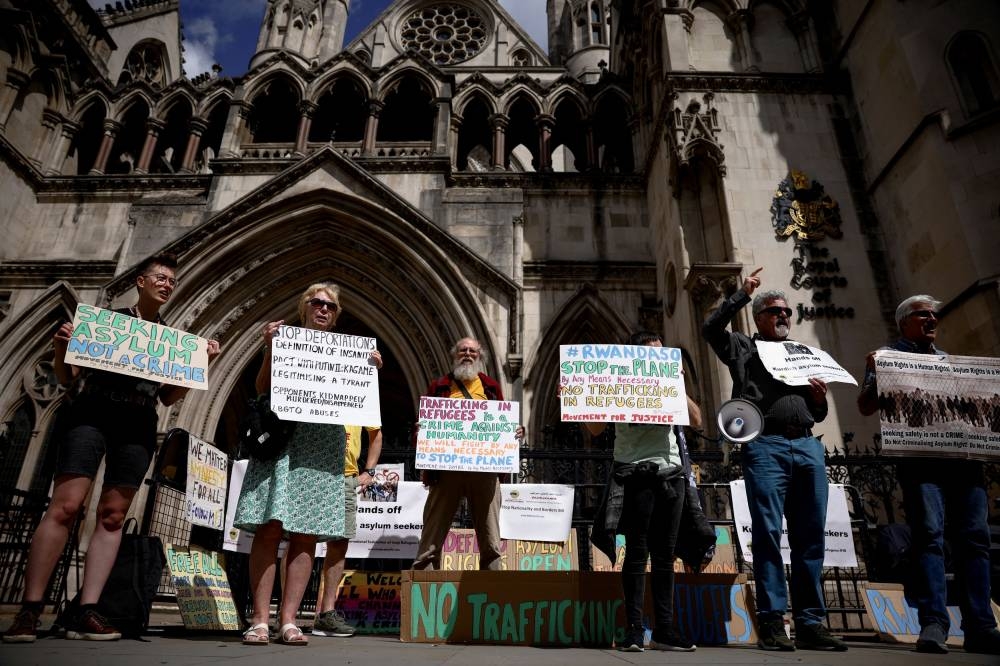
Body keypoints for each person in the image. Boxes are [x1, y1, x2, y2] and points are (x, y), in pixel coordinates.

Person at [3, 253, 221, 643]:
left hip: (137, 422)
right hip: (91, 412)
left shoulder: (171, 340)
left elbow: (169, 398)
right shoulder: (110, 322)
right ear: (140, 281)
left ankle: (89, 609)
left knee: (113, 516)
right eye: (160, 277)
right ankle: (30, 609)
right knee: (66, 506)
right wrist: (59, 347)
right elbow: (67, 376)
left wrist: (199, 363)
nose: (167, 284)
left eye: (172, 280)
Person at [702, 267, 847, 651]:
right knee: (767, 535)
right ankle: (772, 620)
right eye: (776, 312)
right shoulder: (742, 348)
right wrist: (742, 294)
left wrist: (818, 401)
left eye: (787, 312)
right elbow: (711, 330)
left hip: (807, 447)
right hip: (765, 447)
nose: (784, 316)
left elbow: (816, 414)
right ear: (760, 317)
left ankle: (811, 621)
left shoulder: (801, 355)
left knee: (810, 536)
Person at [235, 283, 380, 647]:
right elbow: (262, 388)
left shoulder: (349, 351)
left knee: (306, 534)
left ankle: (288, 621)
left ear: (336, 314)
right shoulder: (287, 340)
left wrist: (371, 371)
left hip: (323, 443)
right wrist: (269, 348)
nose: (323, 309)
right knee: (270, 528)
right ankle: (259, 619)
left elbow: (362, 402)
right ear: (304, 307)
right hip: (284, 439)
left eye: (330, 306)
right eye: (317, 303)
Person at [858, 295, 1000, 655]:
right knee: (929, 538)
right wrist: (877, 373)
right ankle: (934, 623)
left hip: (965, 462)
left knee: (974, 540)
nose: (932, 320)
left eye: (934, 315)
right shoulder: (886, 357)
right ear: (905, 322)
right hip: (922, 463)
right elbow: (865, 405)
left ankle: (981, 625)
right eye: (924, 315)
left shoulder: (950, 361)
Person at [588, 331, 705, 653]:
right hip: (634, 471)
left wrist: (677, 383)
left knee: (665, 556)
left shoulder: (669, 384)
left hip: (671, 473)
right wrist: (576, 397)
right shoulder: (619, 383)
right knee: (637, 553)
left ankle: (665, 630)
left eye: (661, 353)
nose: (658, 357)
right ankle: (635, 630)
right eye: (652, 354)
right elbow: (596, 429)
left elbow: (696, 420)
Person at [411, 337, 523, 571]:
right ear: (454, 356)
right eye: (463, 351)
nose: (468, 355)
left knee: (491, 538)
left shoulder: (491, 387)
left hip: (485, 472)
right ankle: (425, 585)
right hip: (446, 471)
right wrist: (422, 431)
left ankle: (493, 588)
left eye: (473, 351)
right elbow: (424, 427)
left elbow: (502, 426)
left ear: (480, 357)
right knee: (431, 536)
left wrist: (515, 431)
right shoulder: (440, 387)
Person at [312, 423, 383, 637]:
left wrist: (369, 471)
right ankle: (287, 616)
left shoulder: (360, 393)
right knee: (299, 539)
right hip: (312, 468)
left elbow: (376, 433)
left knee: (340, 542)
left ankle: (327, 614)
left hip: (346, 476)